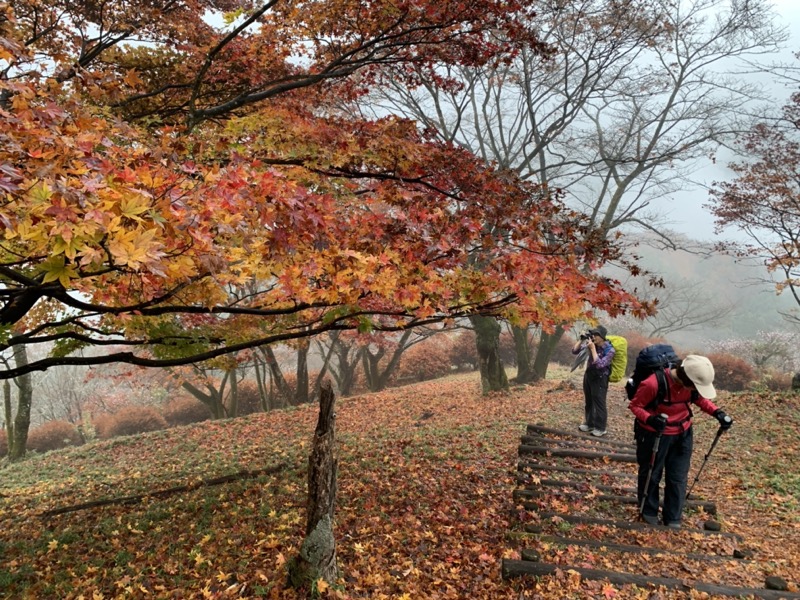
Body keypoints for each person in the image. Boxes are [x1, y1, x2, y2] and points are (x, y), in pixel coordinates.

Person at [628, 354, 733, 528]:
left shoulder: (690, 386)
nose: (694, 389)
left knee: (678, 476)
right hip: (655, 435)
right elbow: (635, 406)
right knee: (652, 473)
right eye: (694, 386)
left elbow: (699, 399)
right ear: (686, 378)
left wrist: (718, 413)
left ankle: (673, 517)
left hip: (683, 433)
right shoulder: (653, 383)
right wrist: (650, 419)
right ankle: (649, 511)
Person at [572, 325, 615, 437]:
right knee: (589, 401)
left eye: (596, 335)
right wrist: (581, 340)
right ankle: (589, 423)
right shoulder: (591, 344)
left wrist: (592, 349)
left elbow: (600, 364)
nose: (594, 337)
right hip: (589, 375)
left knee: (599, 403)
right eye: (593, 334)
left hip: (600, 378)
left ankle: (601, 428)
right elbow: (574, 351)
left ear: (602, 336)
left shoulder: (609, 349)